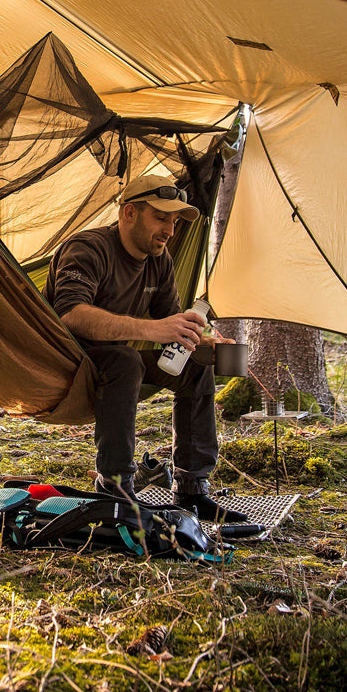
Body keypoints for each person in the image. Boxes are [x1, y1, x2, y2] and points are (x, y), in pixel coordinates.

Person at [46, 172, 242, 521]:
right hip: (65, 365)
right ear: (129, 214)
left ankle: (192, 489)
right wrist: (154, 329)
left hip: (117, 364)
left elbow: (170, 327)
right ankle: (116, 490)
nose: (169, 230)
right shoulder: (87, 248)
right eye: (161, 218)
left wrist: (204, 343)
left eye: (174, 221)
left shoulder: (159, 259)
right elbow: (71, 315)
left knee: (193, 367)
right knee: (126, 360)